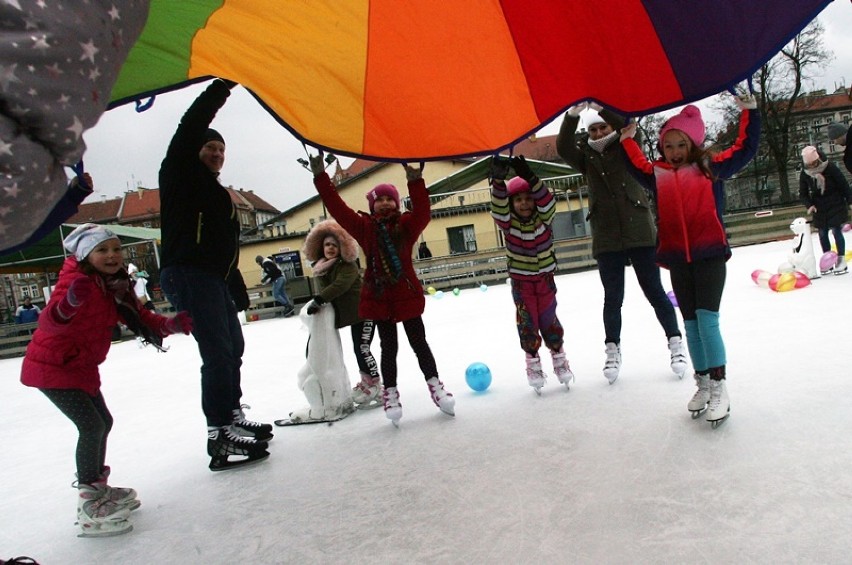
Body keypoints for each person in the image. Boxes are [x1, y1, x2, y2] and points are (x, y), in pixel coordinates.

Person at [20, 223, 192, 537]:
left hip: (81, 365)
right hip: (54, 366)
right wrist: (70, 302)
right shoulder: (75, 280)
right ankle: (89, 503)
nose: (112, 255)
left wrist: (172, 325)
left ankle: (98, 489)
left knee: (103, 421)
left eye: (116, 249)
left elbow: (139, 316)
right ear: (86, 255)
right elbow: (49, 321)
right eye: (102, 250)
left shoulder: (114, 285)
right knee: (92, 425)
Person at [619, 95, 761, 427]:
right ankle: (704, 383)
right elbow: (635, 164)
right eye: (668, 145)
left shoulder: (709, 167)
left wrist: (749, 112)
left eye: (680, 144)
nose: (674, 151)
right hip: (678, 260)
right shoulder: (659, 175)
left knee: (707, 321)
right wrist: (627, 139)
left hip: (709, 254)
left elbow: (745, 148)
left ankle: (720, 386)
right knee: (691, 326)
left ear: (692, 143)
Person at [158, 78, 272, 471]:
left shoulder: (216, 191)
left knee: (232, 348)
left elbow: (224, 248)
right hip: (188, 273)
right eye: (211, 147)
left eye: (222, 150)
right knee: (218, 353)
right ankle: (219, 432)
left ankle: (232, 412)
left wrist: (235, 286)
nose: (217, 154)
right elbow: (191, 124)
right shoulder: (179, 173)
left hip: (213, 278)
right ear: (196, 149)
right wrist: (223, 85)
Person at [308, 151, 454, 426]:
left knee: (419, 343)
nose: (385, 203)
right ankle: (390, 392)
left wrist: (415, 181)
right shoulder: (364, 228)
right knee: (388, 347)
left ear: (397, 203)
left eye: (390, 199)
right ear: (373, 204)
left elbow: (423, 213)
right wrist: (321, 178)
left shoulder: (407, 226)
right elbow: (338, 208)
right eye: (380, 199)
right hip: (380, 298)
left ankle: (435, 385)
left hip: (405, 295)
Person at [556, 103, 687, 384]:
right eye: (593, 129)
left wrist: (600, 107)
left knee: (654, 290)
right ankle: (612, 349)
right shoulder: (586, 158)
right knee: (612, 297)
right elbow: (563, 146)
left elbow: (627, 121)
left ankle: (675, 342)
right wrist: (572, 115)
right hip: (607, 235)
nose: (599, 131)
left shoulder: (629, 143)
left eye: (602, 126)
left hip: (638, 229)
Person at [489, 154, 574, 394]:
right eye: (518, 200)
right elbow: (498, 209)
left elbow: (548, 202)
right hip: (522, 284)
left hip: (545, 281)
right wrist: (497, 181)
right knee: (528, 323)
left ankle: (559, 358)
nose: (524, 204)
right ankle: (533, 362)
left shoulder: (544, 219)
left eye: (528, 199)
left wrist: (531, 177)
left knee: (549, 320)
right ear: (511, 203)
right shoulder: (509, 224)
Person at [302, 219, 381, 409]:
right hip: (354, 316)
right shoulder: (322, 267)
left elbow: (340, 286)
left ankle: (377, 385)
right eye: (327, 244)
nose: (330, 248)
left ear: (342, 247)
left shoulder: (348, 265)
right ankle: (366, 381)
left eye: (335, 245)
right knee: (358, 348)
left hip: (366, 312)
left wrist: (319, 300)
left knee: (362, 348)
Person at [799, 145, 852, 275]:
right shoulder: (805, 173)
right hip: (819, 207)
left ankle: (841, 259)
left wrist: (850, 201)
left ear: (818, 159)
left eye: (814, 163)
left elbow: (843, 184)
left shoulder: (830, 167)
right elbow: (803, 193)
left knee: (836, 231)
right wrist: (809, 205)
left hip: (836, 203)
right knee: (822, 233)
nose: (812, 166)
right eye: (809, 164)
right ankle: (827, 260)